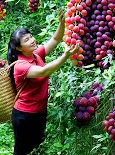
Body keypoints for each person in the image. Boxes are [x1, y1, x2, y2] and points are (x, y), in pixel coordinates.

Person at [6, 10, 80, 155]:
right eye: (26, 40)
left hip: (39, 112)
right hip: (24, 116)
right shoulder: (20, 66)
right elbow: (44, 71)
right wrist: (65, 55)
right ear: (19, 48)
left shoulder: (36, 54)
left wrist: (62, 23)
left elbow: (56, 39)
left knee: (37, 148)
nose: (32, 40)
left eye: (31, 37)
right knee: (21, 151)